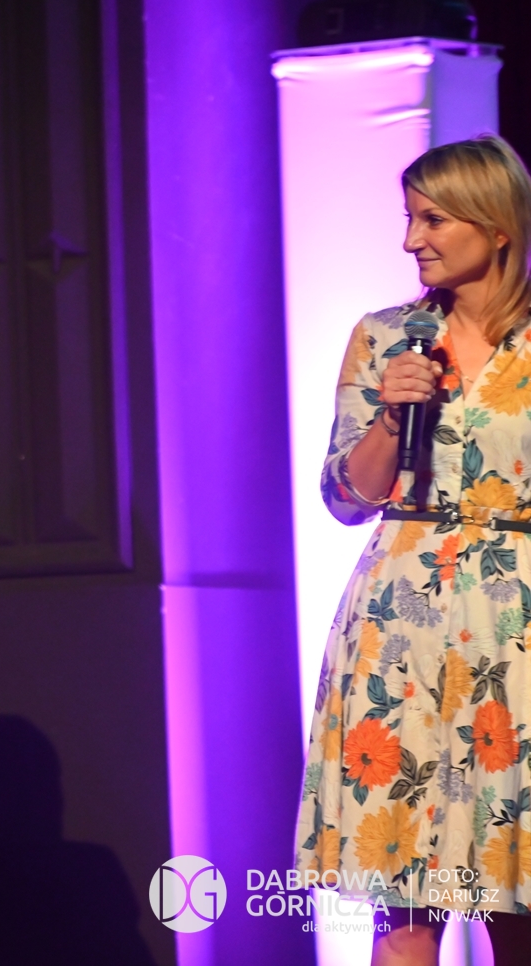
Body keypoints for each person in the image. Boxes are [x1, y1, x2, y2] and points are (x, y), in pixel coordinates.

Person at [297, 134, 531, 965]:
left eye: (432, 220)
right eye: (409, 218)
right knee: (404, 910)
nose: (411, 240)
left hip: (514, 635)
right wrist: (393, 418)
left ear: (495, 226)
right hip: (400, 633)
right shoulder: (386, 337)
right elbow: (343, 498)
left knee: (514, 901)